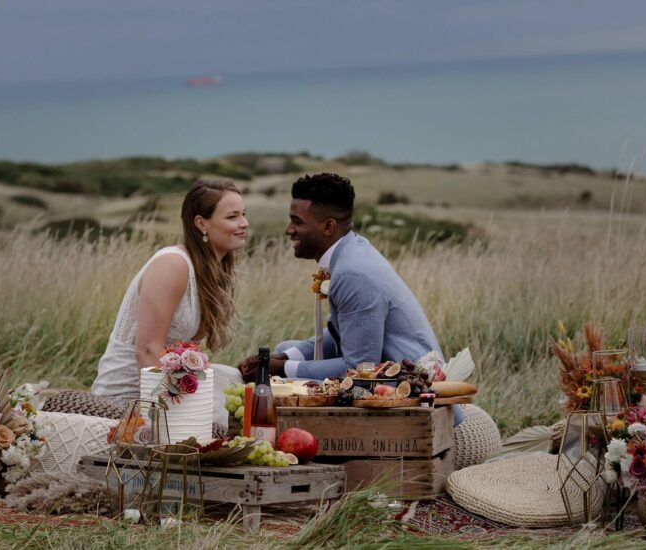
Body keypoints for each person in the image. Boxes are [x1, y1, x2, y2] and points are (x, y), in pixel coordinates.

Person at [239, 173, 451, 391]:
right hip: (380, 368)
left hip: (411, 388)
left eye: (297, 221)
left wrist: (283, 369)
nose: (288, 230)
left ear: (329, 227)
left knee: (283, 379)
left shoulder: (353, 274)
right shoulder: (351, 250)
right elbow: (346, 332)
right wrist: (285, 357)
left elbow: (359, 369)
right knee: (288, 348)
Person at [92, 178, 246, 429]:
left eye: (244, 214)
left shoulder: (210, 271)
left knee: (232, 380)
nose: (244, 224)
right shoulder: (173, 264)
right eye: (233, 217)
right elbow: (148, 351)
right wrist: (170, 420)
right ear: (201, 223)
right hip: (130, 399)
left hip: (167, 388)